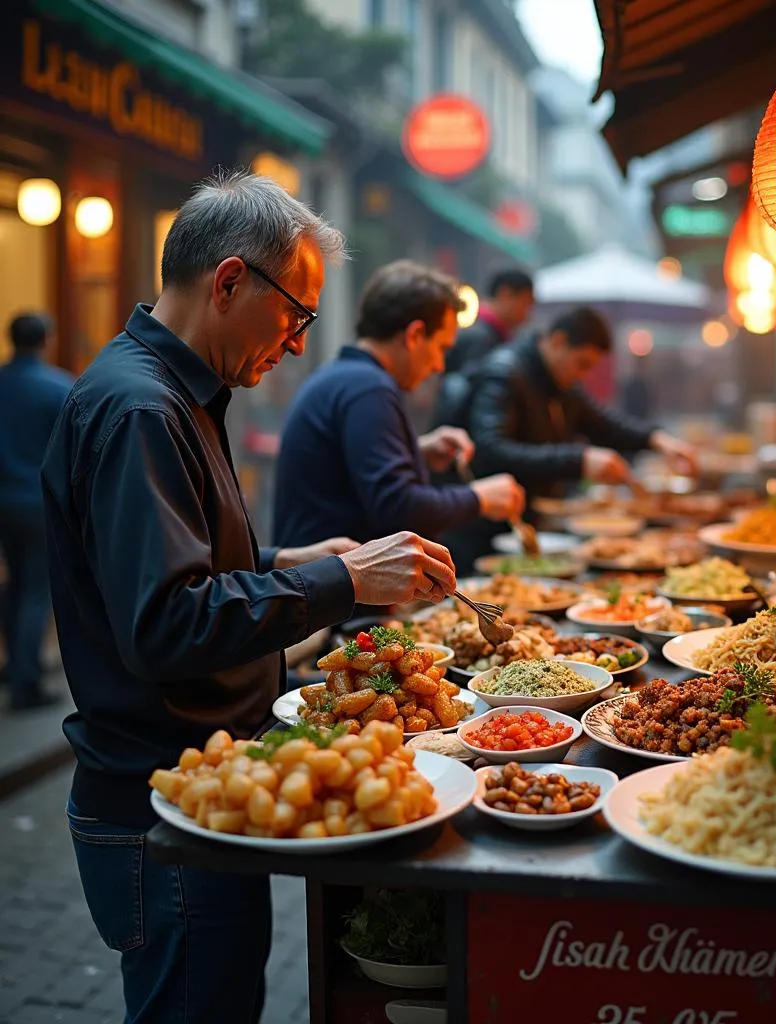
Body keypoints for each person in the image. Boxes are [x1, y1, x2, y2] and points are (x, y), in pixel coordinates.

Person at [41, 171, 458, 1024]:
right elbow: (165, 624)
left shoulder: (179, 395)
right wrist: (339, 581)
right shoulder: (141, 409)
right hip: (164, 803)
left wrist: (285, 557)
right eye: (296, 314)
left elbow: (178, 567)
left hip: (197, 787)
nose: (300, 343)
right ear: (230, 281)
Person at [273, 259, 525, 550]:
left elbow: (349, 469)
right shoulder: (368, 387)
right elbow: (397, 506)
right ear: (415, 335)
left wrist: (417, 451)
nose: (439, 365)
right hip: (330, 589)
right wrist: (479, 497)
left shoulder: (346, 377)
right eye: (441, 348)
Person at [454, 306, 698, 567]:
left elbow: (601, 423)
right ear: (558, 341)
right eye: (582, 364)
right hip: (485, 531)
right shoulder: (505, 372)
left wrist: (656, 439)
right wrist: (579, 460)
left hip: (526, 522)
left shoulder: (558, 380)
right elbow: (490, 450)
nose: (583, 374)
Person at [0, 313, 73, 711]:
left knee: (13, 586)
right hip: (35, 503)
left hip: (3, 501)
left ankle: (13, 665)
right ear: (46, 339)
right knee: (33, 591)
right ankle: (25, 682)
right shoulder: (57, 387)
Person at [443, 267, 534, 375]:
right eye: (526, 303)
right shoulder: (479, 335)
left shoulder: (490, 332)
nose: (528, 312)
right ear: (505, 294)